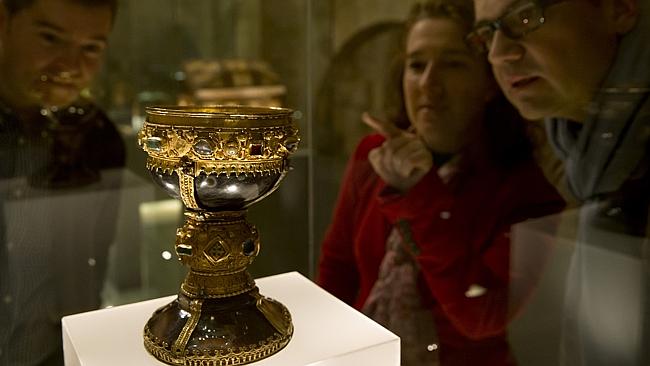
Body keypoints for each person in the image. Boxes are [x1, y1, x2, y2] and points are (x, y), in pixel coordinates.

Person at [317, 1, 565, 365]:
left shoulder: (527, 190)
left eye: (453, 64)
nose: (429, 84)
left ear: (489, 84)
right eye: (416, 65)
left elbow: (480, 314)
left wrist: (418, 194)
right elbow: (338, 269)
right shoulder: (374, 154)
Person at [470, 0, 649, 365]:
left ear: (621, 8)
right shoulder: (584, 164)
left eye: (524, 17)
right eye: (487, 34)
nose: (498, 54)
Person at [0, 0, 124, 364]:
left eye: (90, 48)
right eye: (50, 39)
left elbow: (90, 272)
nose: (70, 66)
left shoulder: (98, 138)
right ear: (3, 20)